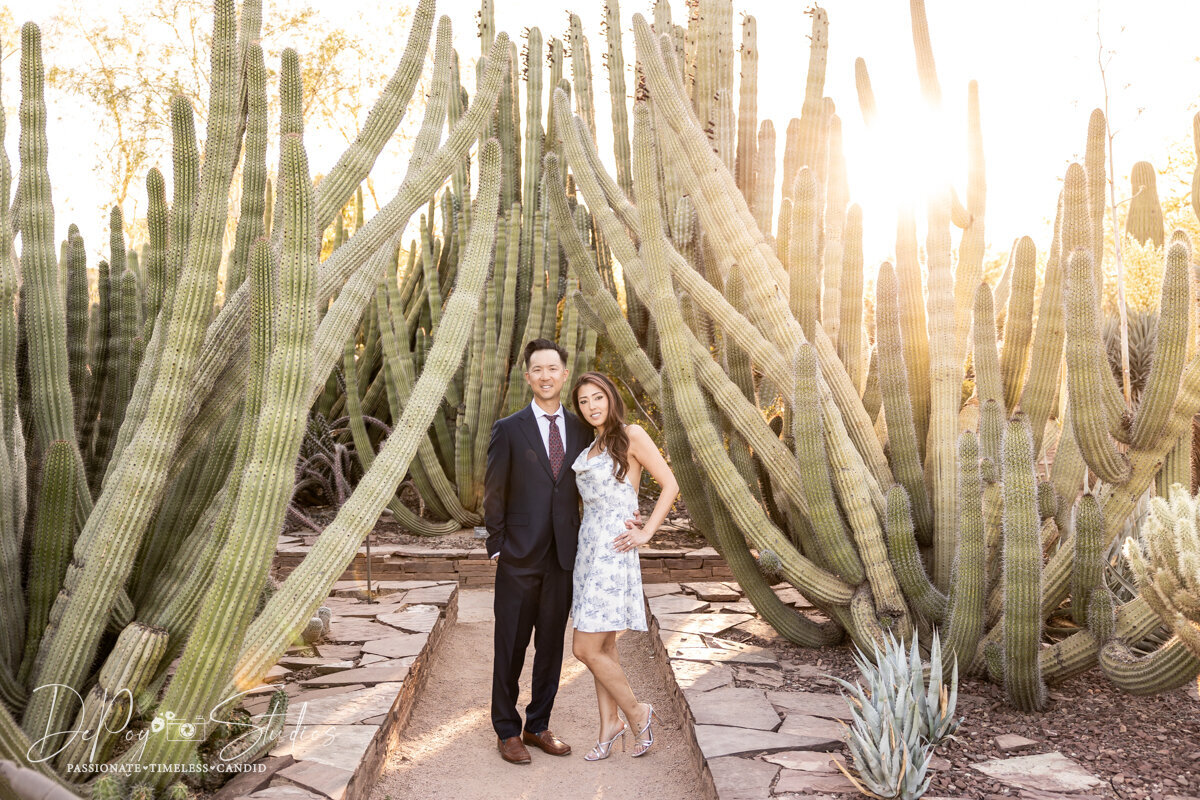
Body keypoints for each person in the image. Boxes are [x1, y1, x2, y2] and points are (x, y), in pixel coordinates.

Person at [483, 340, 641, 765]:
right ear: (529, 376)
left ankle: (537, 726)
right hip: (517, 557)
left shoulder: (581, 428)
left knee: (551, 648)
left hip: (565, 559)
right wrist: (497, 547)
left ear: (564, 374)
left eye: (553, 368)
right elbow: (494, 491)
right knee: (510, 646)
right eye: (538, 369)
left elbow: (607, 478)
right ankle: (506, 730)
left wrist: (634, 513)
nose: (546, 375)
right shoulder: (509, 428)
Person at [568, 371, 679, 761]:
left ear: (611, 398)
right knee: (603, 645)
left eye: (597, 397)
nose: (592, 406)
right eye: (584, 401)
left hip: (614, 551)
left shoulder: (631, 434)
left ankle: (636, 712)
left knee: (583, 647)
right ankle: (608, 726)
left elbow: (670, 483)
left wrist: (647, 530)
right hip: (588, 551)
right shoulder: (593, 444)